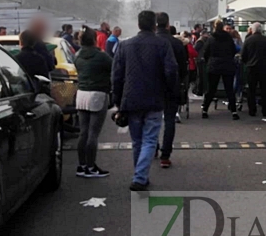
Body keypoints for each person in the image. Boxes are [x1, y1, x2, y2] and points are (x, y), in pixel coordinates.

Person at [112, 10, 179, 191]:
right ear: (154, 25)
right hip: (154, 98)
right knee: (150, 139)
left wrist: (117, 101)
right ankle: (140, 177)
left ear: (138, 24)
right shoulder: (162, 45)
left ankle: (140, 175)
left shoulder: (125, 46)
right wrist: (171, 92)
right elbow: (171, 71)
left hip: (131, 98)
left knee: (137, 141)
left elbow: (116, 76)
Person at [71, 27, 113, 178]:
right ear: (95, 39)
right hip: (97, 94)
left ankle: (82, 165)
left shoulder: (77, 56)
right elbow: (113, 68)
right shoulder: (102, 57)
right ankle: (91, 166)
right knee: (93, 134)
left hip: (81, 94)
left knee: (83, 132)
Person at [155, 12, 188, 169]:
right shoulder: (176, 44)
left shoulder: (150, 42)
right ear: (168, 25)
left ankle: (152, 146)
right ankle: (165, 155)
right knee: (169, 120)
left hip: (152, 86)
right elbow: (183, 67)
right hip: (172, 86)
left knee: (152, 120)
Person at [202, 19, 240, 120]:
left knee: (211, 89)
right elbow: (233, 51)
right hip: (227, 64)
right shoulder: (228, 38)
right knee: (229, 89)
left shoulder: (211, 38)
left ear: (214, 27)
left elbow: (206, 52)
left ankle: (205, 109)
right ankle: (234, 111)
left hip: (214, 65)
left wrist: (209, 61)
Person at [241, 22, 266, 119]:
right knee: (265, 90)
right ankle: (265, 111)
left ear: (252, 30)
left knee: (251, 90)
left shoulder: (248, 40)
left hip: (251, 68)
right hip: (264, 68)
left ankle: (252, 110)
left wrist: (247, 62)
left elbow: (243, 55)